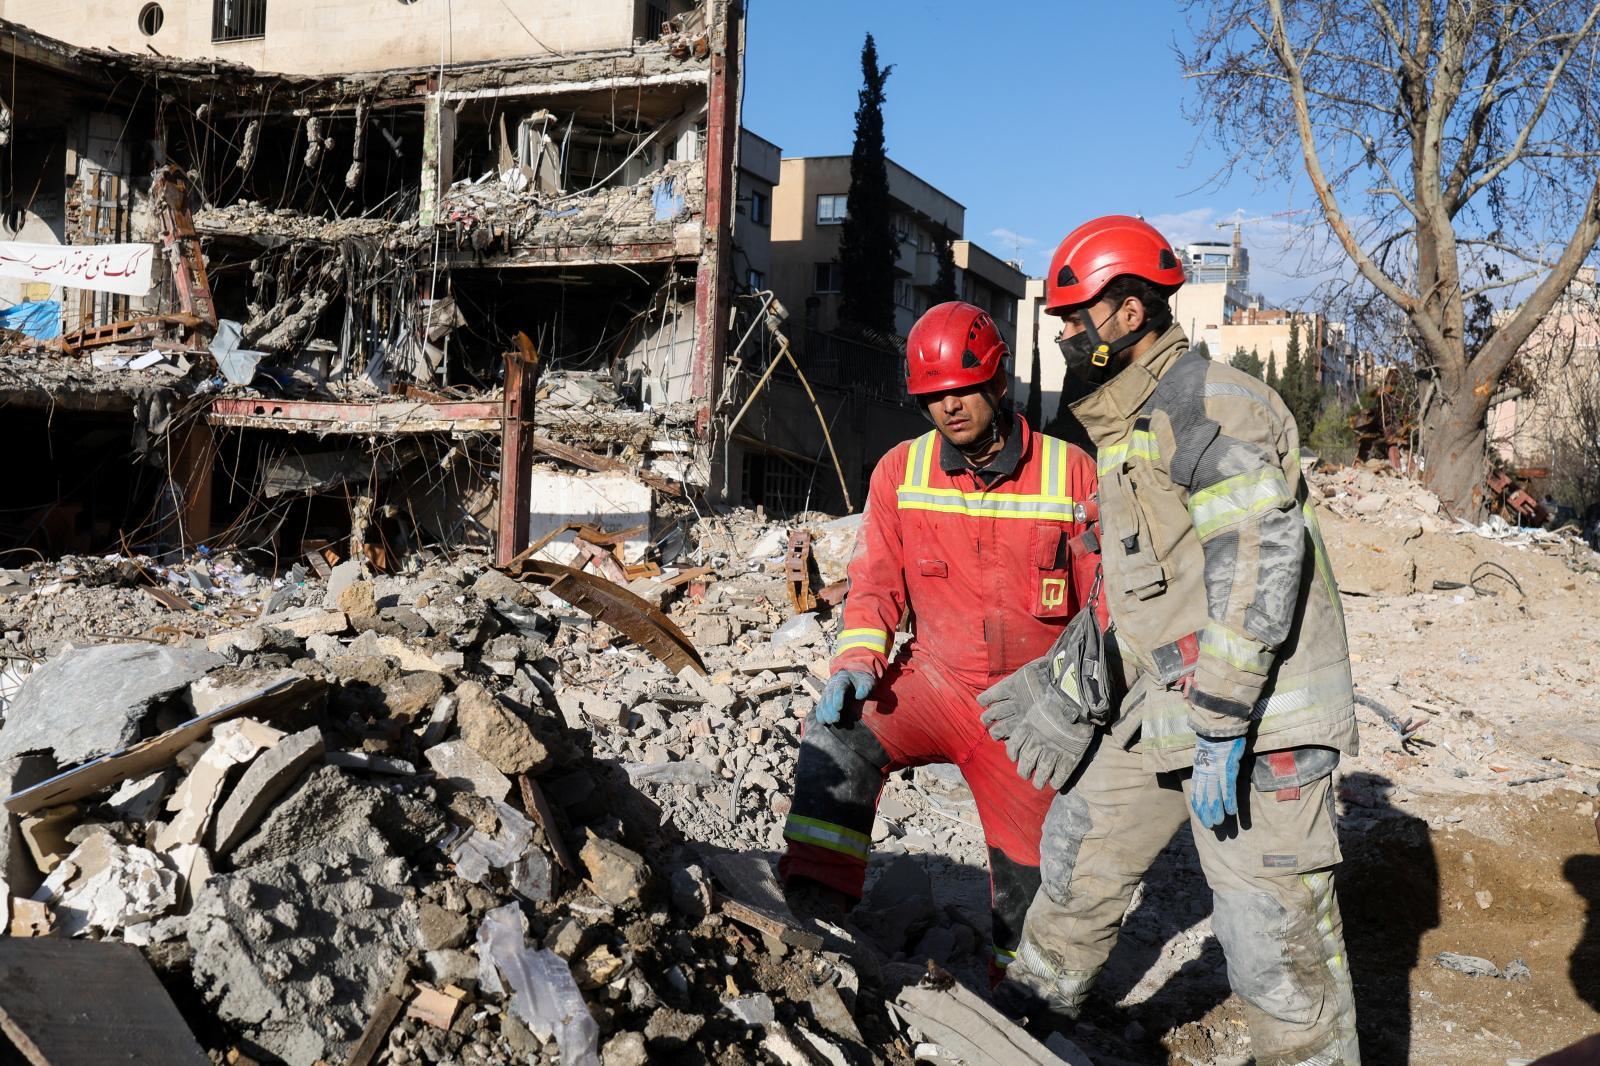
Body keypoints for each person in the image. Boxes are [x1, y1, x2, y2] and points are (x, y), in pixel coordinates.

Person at [996, 216, 1361, 1065]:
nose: (1064, 333)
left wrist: (1224, 720)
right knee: (1080, 855)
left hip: (1255, 722)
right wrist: (1083, 674)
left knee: (1273, 941)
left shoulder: (1205, 404)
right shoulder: (1127, 424)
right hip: (1167, 709)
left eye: (1074, 316)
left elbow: (1259, 554)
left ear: (1128, 314)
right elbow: (1161, 585)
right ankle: (1019, 1026)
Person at [779, 300, 1100, 975]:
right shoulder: (901, 471)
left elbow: (1103, 606)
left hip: (1028, 709)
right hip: (935, 681)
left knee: (1032, 895)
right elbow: (875, 584)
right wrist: (856, 660)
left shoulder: (1072, 472)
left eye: (963, 389)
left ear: (998, 382)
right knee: (837, 735)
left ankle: (1021, 999)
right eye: (933, 396)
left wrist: (1077, 707)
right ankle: (814, 915)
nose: (949, 407)